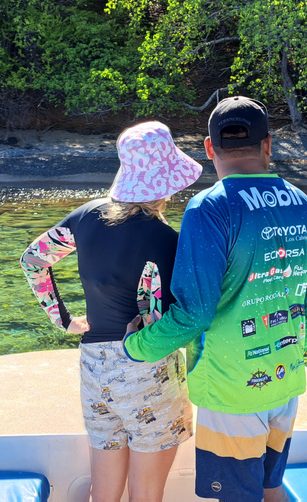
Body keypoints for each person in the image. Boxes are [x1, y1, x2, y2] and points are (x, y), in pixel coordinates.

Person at [123, 96, 307, 502]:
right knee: (269, 487)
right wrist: (293, 351)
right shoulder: (301, 203)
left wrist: (138, 347)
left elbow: (194, 313)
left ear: (210, 148)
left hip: (232, 389)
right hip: (285, 378)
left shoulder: (209, 207)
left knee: (237, 495)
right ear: (268, 145)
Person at [19, 121, 202, 502]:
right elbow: (181, 313)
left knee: (102, 495)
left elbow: (33, 259)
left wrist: (65, 320)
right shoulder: (169, 241)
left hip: (95, 369)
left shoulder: (86, 216)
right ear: (167, 181)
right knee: (146, 496)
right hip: (146, 371)